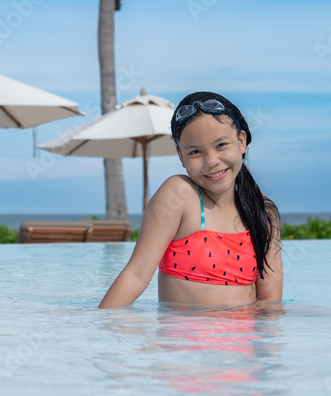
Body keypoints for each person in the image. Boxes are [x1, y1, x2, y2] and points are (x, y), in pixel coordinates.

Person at [98, 92, 282, 308]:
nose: (212, 161)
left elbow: (270, 302)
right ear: (181, 156)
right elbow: (136, 275)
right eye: (196, 151)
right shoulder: (179, 195)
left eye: (221, 145)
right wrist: (100, 330)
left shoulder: (263, 211)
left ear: (241, 142)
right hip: (185, 338)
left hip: (242, 339)